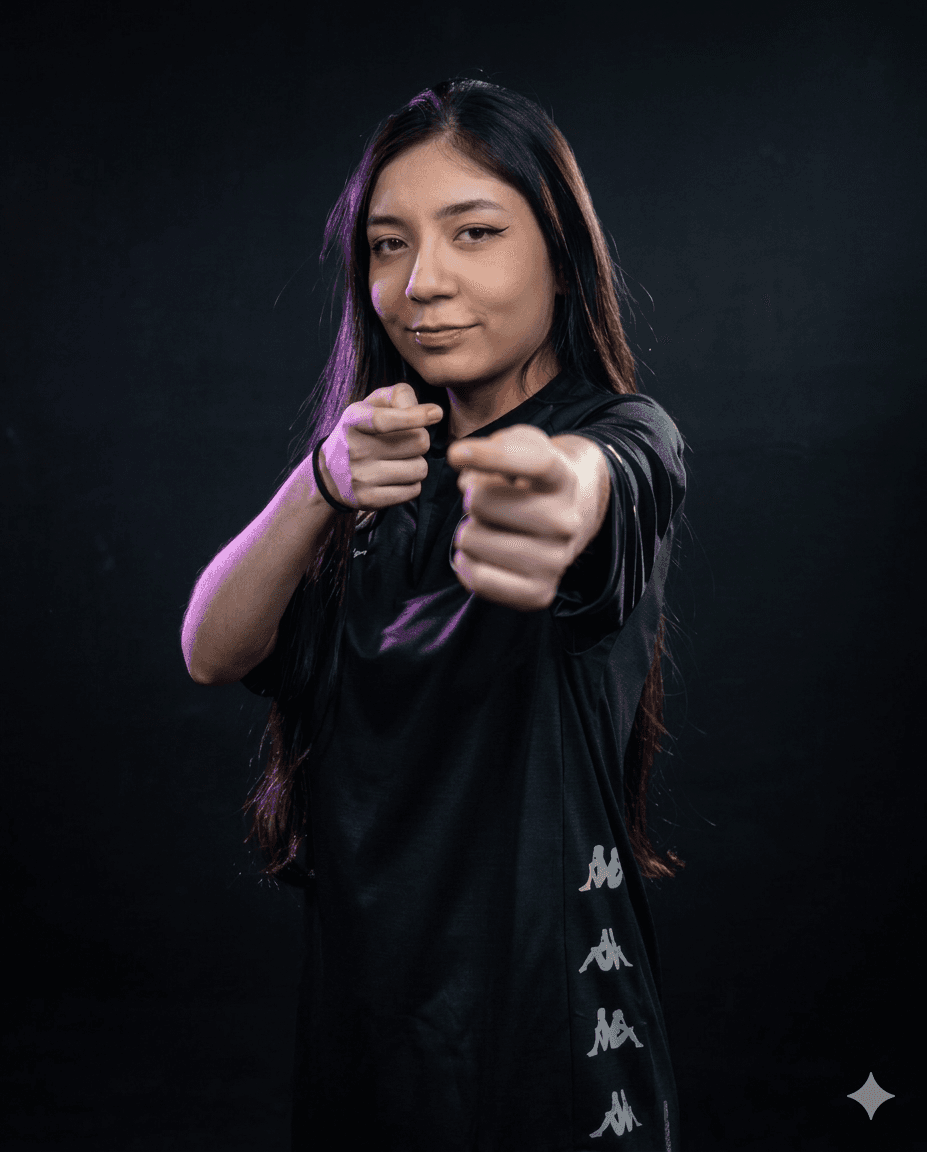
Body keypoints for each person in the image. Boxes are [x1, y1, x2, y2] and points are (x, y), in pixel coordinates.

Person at [181, 77, 686, 1152]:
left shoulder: (622, 432)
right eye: (388, 244)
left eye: (476, 232)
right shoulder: (374, 475)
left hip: (547, 1014)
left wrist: (557, 493)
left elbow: (601, 478)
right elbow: (211, 649)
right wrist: (317, 482)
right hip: (369, 1014)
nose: (422, 282)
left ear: (561, 254)